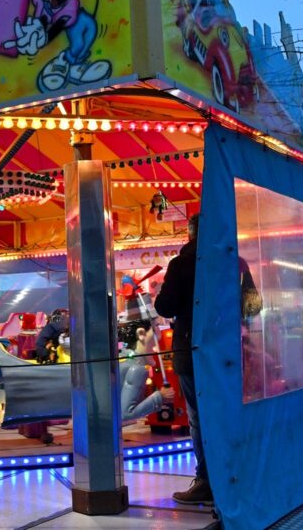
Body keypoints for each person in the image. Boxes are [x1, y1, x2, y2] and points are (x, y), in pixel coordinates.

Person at [154, 213, 211, 505]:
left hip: (192, 350)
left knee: (198, 417)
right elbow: (253, 305)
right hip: (229, 352)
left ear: (190, 233)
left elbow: (164, 306)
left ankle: (206, 481)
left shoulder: (182, 264)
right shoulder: (234, 261)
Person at [117, 320, 176, 421]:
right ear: (141, 334)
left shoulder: (121, 360)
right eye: (154, 342)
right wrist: (160, 397)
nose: (156, 348)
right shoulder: (137, 370)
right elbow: (126, 413)